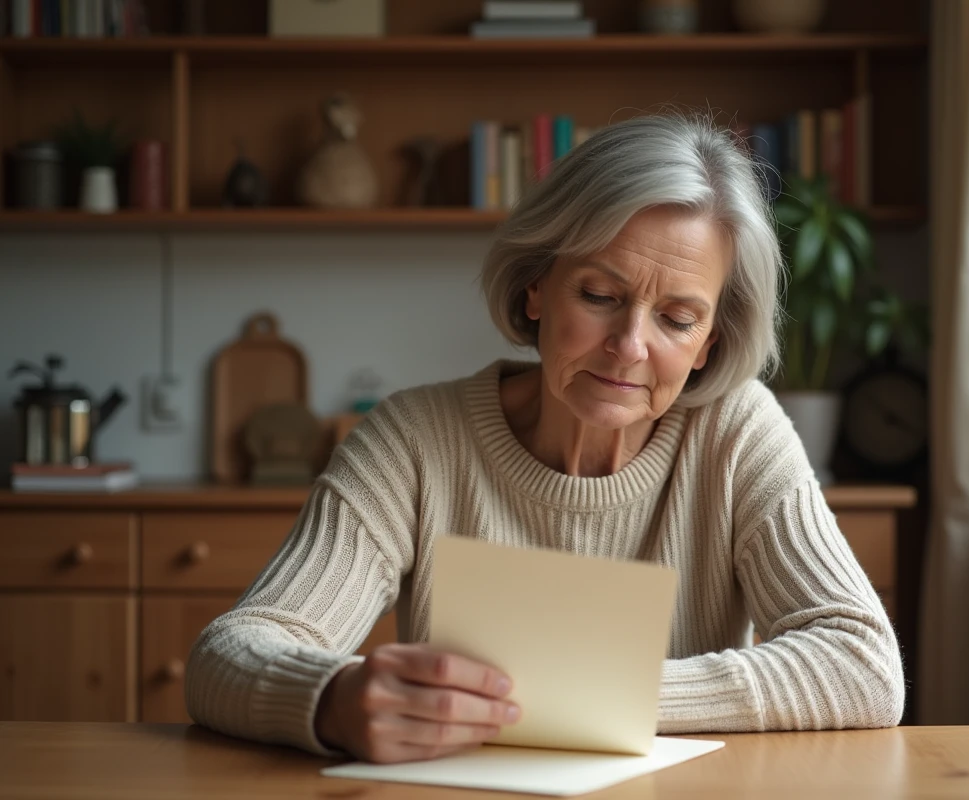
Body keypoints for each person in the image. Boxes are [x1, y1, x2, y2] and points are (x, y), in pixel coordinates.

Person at [186, 112, 905, 765]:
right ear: (537, 287)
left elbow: (864, 667)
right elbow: (228, 654)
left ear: (710, 343)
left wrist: (603, 698)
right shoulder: (413, 439)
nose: (629, 347)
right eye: (599, 296)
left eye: (677, 319)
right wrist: (334, 698)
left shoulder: (737, 432)